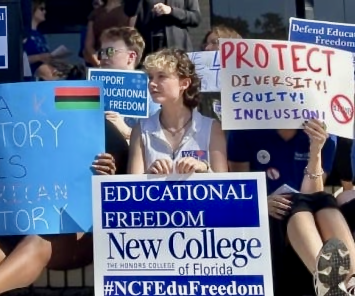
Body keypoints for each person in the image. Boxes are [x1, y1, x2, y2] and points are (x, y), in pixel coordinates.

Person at [0, 120, 128, 296]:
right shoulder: (24, 130)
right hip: (33, 224)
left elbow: (126, 196)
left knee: (39, 237)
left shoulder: (101, 129)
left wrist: (107, 180)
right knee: (3, 237)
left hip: (83, 235)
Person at [227, 123, 355, 296]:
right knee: (303, 202)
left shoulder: (324, 133)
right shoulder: (245, 129)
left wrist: (315, 152)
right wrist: (260, 203)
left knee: (322, 199)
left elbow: (312, 195)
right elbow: (240, 188)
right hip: (266, 213)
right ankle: (329, 282)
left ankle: (347, 283)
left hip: (303, 209)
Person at [128, 48, 228, 174]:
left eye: (161, 76)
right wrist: (150, 174)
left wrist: (204, 168)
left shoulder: (212, 128)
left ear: (184, 83)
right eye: (151, 77)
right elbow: (132, 186)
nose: (152, 84)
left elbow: (225, 184)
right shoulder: (140, 130)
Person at [98, 26, 160, 140]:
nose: (103, 57)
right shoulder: (94, 88)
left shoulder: (150, 90)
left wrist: (127, 131)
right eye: (102, 52)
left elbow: (158, 137)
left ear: (131, 57)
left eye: (110, 51)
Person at [124, 0, 201, 59]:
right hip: (149, 46)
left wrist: (171, 11)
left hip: (177, 45)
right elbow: (129, 11)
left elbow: (196, 18)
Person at [198, 25, 242, 119]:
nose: (207, 48)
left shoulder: (249, 80)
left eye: (215, 42)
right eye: (205, 44)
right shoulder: (199, 81)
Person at [83, 0, 130, 67]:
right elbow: (88, 45)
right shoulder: (96, 13)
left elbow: (131, 39)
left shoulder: (130, 11)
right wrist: (99, 65)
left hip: (122, 62)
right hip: (99, 60)